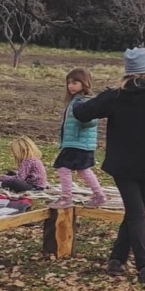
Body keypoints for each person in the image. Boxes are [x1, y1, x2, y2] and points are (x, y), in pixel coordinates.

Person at [73, 48, 145, 284]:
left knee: (135, 212)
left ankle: (125, 261)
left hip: (123, 166)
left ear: (127, 71)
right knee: (136, 212)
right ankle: (139, 264)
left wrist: (81, 96)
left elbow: (82, 113)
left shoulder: (115, 96)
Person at [53, 67, 106, 208]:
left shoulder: (84, 101)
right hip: (78, 143)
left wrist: (85, 117)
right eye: (69, 83)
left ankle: (66, 197)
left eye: (75, 82)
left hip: (77, 143)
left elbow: (91, 120)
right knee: (83, 170)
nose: (71, 86)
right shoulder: (76, 100)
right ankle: (99, 195)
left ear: (85, 83)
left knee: (63, 167)